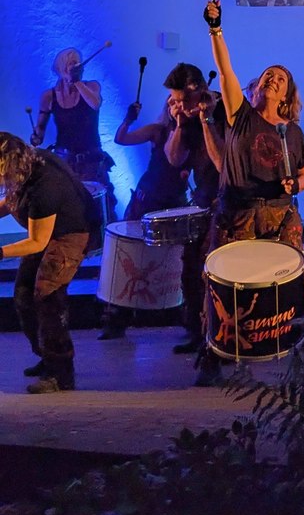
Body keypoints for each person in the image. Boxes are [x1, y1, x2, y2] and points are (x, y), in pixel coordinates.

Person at [196, 0, 304, 385]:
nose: (272, 78)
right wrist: (216, 29)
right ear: (258, 86)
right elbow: (225, 69)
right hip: (238, 213)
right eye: (268, 75)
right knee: (222, 284)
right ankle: (213, 354)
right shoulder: (240, 115)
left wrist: (296, 185)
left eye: (280, 78)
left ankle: (300, 346)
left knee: (294, 278)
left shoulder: (293, 132)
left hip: (280, 214)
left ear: (287, 94)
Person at [0, 132, 98, 393]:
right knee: (23, 295)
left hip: (70, 234)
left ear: (8, 166)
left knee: (47, 296)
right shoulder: (25, 167)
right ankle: (46, 356)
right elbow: (12, 201)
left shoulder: (44, 186)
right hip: (48, 232)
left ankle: (61, 374)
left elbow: (37, 242)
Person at [98, 94, 191, 340]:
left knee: (177, 260)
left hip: (174, 204)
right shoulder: (158, 131)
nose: (176, 106)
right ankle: (116, 320)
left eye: (180, 102)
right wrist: (128, 119)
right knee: (131, 255)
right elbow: (121, 139)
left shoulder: (195, 134)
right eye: (171, 102)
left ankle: (187, 320)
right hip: (146, 200)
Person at [161, 63, 226, 354]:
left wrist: (205, 119)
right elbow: (174, 159)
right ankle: (197, 333)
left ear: (200, 89)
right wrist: (178, 123)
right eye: (176, 100)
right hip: (202, 199)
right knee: (189, 269)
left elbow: (222, 162)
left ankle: (220, 338)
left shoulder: (222, 110)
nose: (182, 106)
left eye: (185, 99)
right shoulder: (185, 117)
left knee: (213, 270)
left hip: (227, 200)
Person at [32, 47, 117, 222]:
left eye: (78, 63)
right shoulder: (49, 96)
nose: (77, 66)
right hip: (64, 162)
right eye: (71, 64)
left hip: (92, 162)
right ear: (61, 68)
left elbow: (95, 104)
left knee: (100, 209)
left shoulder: (91, 86)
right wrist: (36, 137)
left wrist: (77, 82)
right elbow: (40, 129)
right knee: (68, 210)